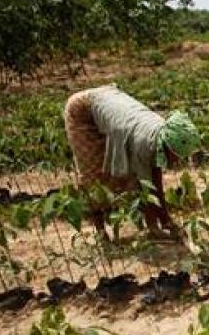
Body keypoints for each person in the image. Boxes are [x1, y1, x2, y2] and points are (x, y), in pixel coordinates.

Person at [63, 84, 201, 240]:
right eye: (177, 156)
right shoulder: (144, 143)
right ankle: (100, 231)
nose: (178, 161)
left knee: (127, 174)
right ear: (168, 146)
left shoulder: (162, 134)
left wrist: (166, 221)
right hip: (82, 109)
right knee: (94, 175)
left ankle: (152, 226)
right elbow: (147, 186)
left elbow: (154, 177)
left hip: (110, 101)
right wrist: (163, 222)